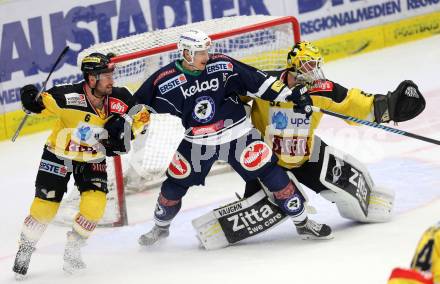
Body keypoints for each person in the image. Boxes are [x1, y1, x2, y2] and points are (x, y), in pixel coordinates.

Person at [192, 41, 426, 249]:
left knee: (340, 185)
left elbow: (353, 102)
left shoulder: (322, 89)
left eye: (316, 64)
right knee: (256, 207)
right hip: (268, 162)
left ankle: (361, 196)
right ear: (293, 67)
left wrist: (386, 108)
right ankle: (233, 217)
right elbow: (233, 97)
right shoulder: (265, 84)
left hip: (307, 155)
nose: (314, 70)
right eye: (308, 66)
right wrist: (230, 121)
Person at [133, 29, 333, 248]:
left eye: (207, 50)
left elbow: (260, 81)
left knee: (273, 175)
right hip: (198, 143)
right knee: (172, 187)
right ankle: (160, 228)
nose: (206, 56)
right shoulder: (165, 79)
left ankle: (302, 222)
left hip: (238, 134)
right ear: (186, 53)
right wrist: (132, 125)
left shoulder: (223, 65)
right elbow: (139, 106)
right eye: (200, 52)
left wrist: (291, 95)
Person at [12, 52, 150, 278]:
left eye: (111, 74)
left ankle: (73, 248)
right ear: (91, 78)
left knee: (94, 207)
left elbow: (143, 117)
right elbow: (39, 102)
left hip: (92, 158)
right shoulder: (67, 96)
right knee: (45, 207)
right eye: (105, 75)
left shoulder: (120, 98)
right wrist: (29, 96)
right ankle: (25, 248)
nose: (111, 80)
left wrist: (128, 129)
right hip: (58, 154)